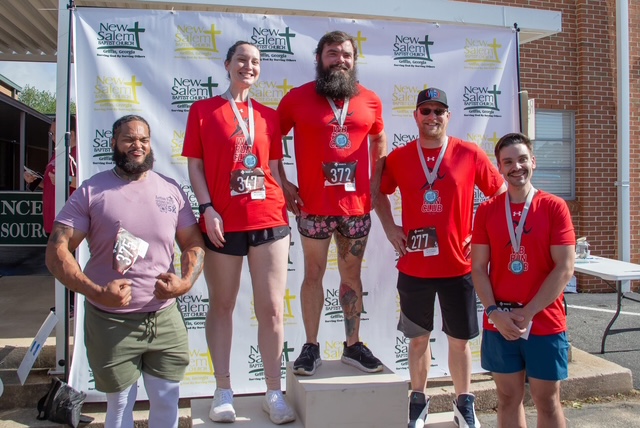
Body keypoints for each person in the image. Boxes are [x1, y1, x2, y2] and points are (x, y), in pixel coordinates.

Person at [45, 115, 205, 428]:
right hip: (111, 320)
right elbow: (56, 251)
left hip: (164, 318)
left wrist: (185, 283)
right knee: (119, 406)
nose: (137, 146)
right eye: (129, 139)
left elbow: (193, 242)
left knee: (167, 399)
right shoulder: (92, 191)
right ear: (113, 143)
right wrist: (95, 291)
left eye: (143, 139)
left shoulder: (170, 189)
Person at [375, 87, 506, 428]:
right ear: (416, 116)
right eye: (426, 111)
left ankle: (464, 404)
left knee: (459, 342)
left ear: (448, 116)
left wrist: (480, 236)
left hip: (458, 267)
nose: (432, 116)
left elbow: (500, 194)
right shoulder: (400, 157)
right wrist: (390, 228)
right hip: (415, 267)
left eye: (438, 111)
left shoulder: (469, 153)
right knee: (418, 340)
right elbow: (378, 193)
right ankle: (418, 402)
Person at [182, 41, 295, 425]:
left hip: (269, 217)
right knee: (222, 304)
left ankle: (273, 392)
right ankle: (223, 390)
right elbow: (195, 167)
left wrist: (291, 194)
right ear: (228, 64)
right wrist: (207, 207)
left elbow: (274, 169)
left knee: (272, 309)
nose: (249, 66)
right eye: (242, 60)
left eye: (255, 61)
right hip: (223, 222)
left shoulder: (269, 116)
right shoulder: (203, 111)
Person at [277, 30, 387, 376]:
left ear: (354, 61)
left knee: (351, 276)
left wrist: (374, 181)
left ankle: (353, 346)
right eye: (333, 54)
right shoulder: (296, 98)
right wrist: (283, 183)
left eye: (346, 55)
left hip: (355, 208)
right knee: (313, 274)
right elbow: (270, 141)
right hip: (314, 207)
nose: (340, 60)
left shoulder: (370, 100)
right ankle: (311, 347)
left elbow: (379, 139)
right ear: (319, 59)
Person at [471, 132, 575, 428]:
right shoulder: (487, 210)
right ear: (499, 167)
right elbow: (478, 267)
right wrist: (494, 312)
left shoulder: (554, 206)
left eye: (522, 159)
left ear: (533, 162)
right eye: (508, 162)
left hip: (543, 320)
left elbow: (565, 268)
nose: (516, 167)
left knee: (547, 400)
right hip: (500, 321)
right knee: (507, 398)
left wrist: (528, 312)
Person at [24, 116, 78, 316]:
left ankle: (71, 304)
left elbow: (87, 183)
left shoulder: (78, 154)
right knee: (60, 262)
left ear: (71, 134)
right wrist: (34, 181)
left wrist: (67, 179)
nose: (53, 137)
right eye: (51, 133)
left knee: (67, 262)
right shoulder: (60, 154)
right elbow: (52, 184)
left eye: (54, 133)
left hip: (69, 221)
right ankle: (66, 303)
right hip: (53, 218)